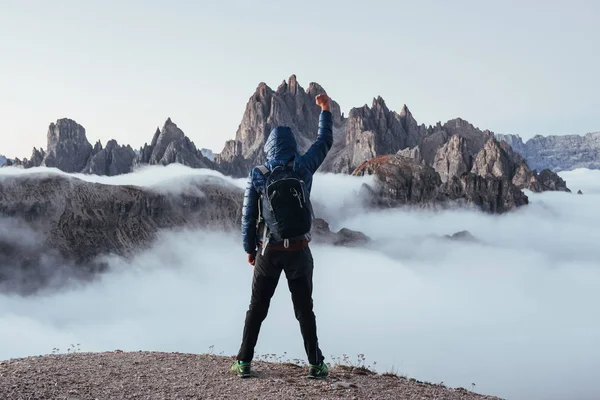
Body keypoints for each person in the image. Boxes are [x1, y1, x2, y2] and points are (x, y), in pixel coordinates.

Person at [231, 93, 334, 379]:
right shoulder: (302, 167)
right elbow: (324, 142)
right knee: (305, 310)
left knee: (257, 308)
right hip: (299, 251)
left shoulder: (259, 174)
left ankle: (244, 362)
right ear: (292, 146)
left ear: (268, 148)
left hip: (268, 251)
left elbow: (248, 215)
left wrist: (249, 249)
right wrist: (325, 109)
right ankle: (315, 364)